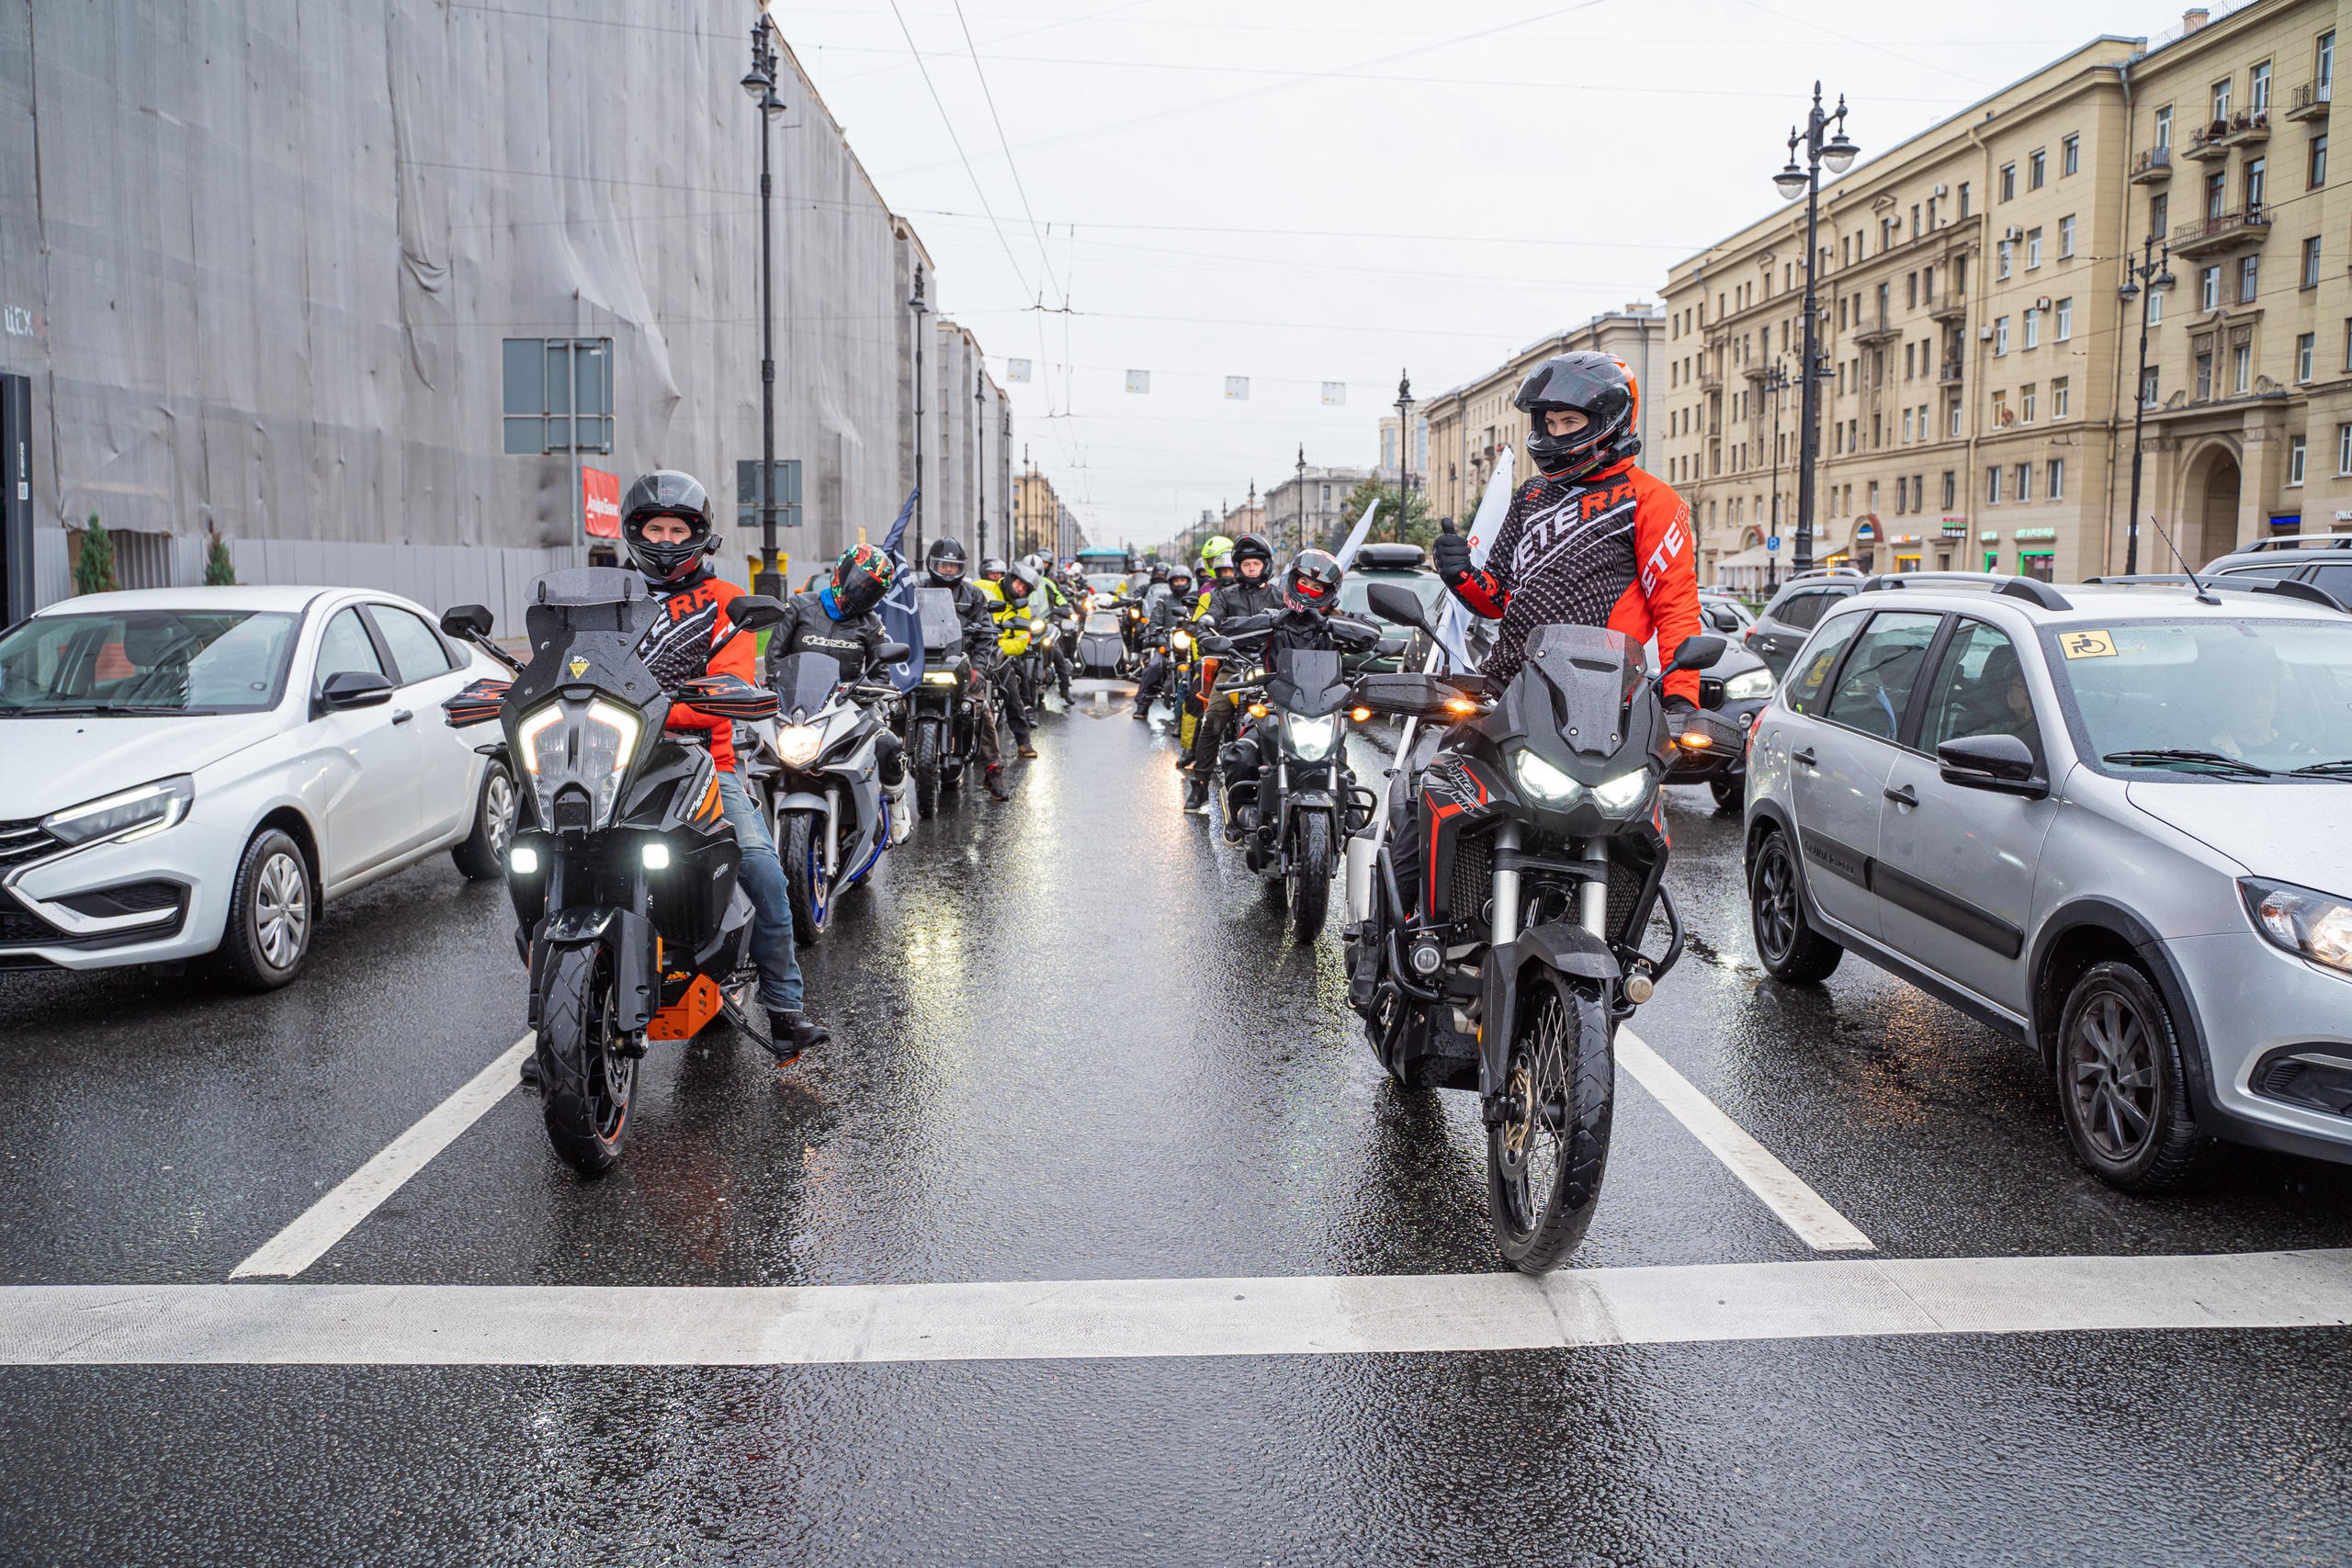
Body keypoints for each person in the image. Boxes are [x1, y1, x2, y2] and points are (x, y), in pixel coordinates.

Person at [618, 468, 828, 1062]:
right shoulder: (610, 598)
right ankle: (553, 1021)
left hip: (705, 764)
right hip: (613, 763)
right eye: (653, 528)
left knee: (762, 868)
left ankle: (786, 1012)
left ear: (697, 534)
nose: (663, 540)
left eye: (675, 528)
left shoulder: (725, 601)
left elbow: (731, 682)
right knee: (540, 857)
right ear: (635, 532)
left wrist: (665, 708)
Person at [1430, 352, 1702, 708]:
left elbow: (1676, 607)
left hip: (1598, 700)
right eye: (1550, 422)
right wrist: (1461, 573)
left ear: (1610, 419)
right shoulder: (1532, 493)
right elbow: (1497, 599)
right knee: (1439, 760)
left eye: (1570, 421)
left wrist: (1681, 698)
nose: (1556, 433)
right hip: (1507, 683)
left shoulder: (1651, 498)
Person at [769, 543, 912, 844]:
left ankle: (897, 804)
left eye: (870, 589)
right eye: (858, 582)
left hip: (847, 703)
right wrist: (773, 683)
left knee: (891, 746)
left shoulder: (871, 624)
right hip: (796, 702)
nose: (861, 591)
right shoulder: (799, 605)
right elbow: (774, 657)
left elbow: (880, 672)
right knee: (755, 750)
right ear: (842, 571)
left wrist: (868, 692)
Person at [1182, 532, 1284, 794]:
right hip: (1234, 667)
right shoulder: (1226, 596)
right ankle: (1200, 784)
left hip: (1274, 669)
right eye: (1246, 564)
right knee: (1214, 716)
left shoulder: (1281, 596)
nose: (1251, 569)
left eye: (1256, 564)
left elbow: (1301, 615)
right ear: (1239, 568)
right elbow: (1210, 619)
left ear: (1266, 565)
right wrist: (1204, 627)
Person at [923, 536, 1016, 800]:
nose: (948, 571)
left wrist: (978, 671)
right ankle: (886, 781)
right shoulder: (918, 591)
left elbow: (987, 637)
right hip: (925, 664)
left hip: (961, 667)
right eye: (943, 565)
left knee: (981, 709)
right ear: (933, 565)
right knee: (890, 707)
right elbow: (903, 624)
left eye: (953, 567)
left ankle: (993, 772)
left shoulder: (973, 595)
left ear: (961, 568)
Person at [980, 560, 1042, 755]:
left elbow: (1021, 643)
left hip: (998, 653)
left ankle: (1023, 742)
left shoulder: (1023, 609)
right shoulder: (981, 588)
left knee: (1011, 691)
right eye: (1018, 583)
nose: (1020, 588)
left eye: (1025, 588)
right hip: (974, 648)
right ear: (1010, 578)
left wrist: (998, 647)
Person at [1130, 565, 1198, 719]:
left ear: (1188, 581)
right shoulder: (1164, 600)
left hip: (1190, 643)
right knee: (1153, 666)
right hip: (1168, 644)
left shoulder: (1194, 599)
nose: (1180, 584)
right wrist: (1160, 639)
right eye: (1176, 581)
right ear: (1170, 583)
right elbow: (1154, 623)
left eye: (1182, 580)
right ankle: (1142, 705)